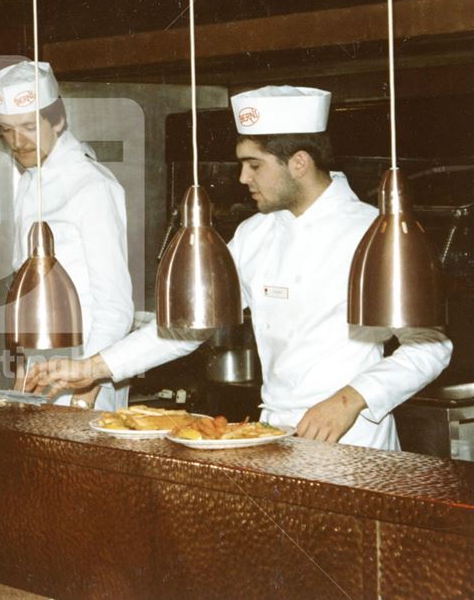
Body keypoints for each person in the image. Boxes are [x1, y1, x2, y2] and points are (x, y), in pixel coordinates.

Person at [26, 85, 453, 450]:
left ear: (299, 163)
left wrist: (351, 399)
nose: (242, 178)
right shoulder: (254, 234)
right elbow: (189, 326)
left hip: (355, 438)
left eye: (254, 165)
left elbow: (431, 345)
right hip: (274, 433)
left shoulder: (374, 233)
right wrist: (90, 368)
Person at [0, 60, 133, 411]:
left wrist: (89, 383)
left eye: (27, 126)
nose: (17, 142)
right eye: (7, 130)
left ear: (57, 120)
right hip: (41, 371)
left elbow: (115, 306)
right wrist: (23, 366)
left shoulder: (92, 185)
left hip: (88, 374)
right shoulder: (28, 183)